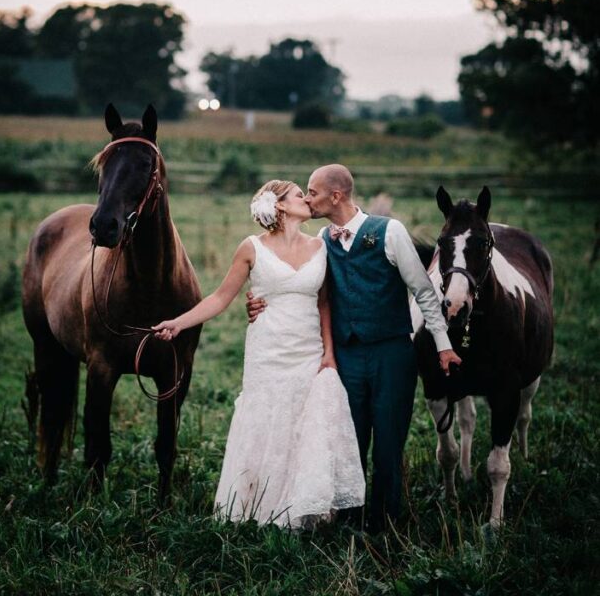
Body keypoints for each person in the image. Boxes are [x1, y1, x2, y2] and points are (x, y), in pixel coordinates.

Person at [247, 165, 461, 534]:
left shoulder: (389, 232)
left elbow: (424, 292)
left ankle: (386, 524)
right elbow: (301, 288)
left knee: (389, 444)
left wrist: (443, 345)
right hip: (345, 356)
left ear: (336, 196)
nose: (307, 198)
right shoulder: (321, 242)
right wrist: (257, 303)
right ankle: (349, 519)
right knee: (348, 440)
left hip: (392, 353)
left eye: (312, 192)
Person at [152, 179, 365, 528]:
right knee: (267, 421)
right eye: (300, 195)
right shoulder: (251, 248)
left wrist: (329, 352)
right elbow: (220, 298)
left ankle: (304, 507)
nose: (307, 200)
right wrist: (178, 323)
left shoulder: (321, 245)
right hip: (268, 349)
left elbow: (325, 302)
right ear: (279, 205)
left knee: (306, 424)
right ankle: (262, 507)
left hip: (309, 349)